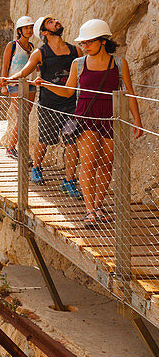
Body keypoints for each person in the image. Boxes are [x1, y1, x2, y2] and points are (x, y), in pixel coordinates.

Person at [34, 18, 143, 228]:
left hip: (111, 119)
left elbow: (129, 93)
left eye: (89, 42)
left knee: (106, 164)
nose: (84, 46)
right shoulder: (79, 63)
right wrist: (47, 84)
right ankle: (90, 210)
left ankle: (98, 206)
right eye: (83, 43)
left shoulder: (119, 63)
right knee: (89, 163)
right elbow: (68, 91)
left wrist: (137, 120)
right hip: (86, 118)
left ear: (103, 40)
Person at [0, 15, 81, 196]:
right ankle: (37, 166)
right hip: (48, 105)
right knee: (44, 140)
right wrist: (7, 80)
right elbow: (24, 71)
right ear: (44, 32)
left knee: (72, 143)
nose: (56, 22)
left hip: (71, 105)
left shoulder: (76, 51)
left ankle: (68, 180)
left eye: (55, 20)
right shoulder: (40, 53)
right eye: (50, 22)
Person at [0, 16, 36, 157]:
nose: (29, 30)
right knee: (22, 117)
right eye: (26, 28)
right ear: (19, 30)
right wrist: (4, 85)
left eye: (30, 28)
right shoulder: (12, 45)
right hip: (14, 84)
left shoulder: (31, 47)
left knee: (25, 117)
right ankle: (10, 147)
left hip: (29, 84)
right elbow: (5, 65)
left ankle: (18, 149)